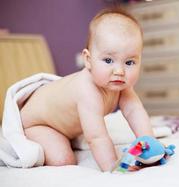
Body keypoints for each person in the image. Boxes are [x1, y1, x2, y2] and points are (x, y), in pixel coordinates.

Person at [20, 8, 154, 172]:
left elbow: (135, 111)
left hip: (64, 127)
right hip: (39, 124)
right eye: (108, 60)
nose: (119, 71)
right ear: (88, 60)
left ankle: (66, 138)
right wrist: (113, 166)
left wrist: (149, 143)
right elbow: (96, 137)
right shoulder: (87, 90)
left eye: (129, 62)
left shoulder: (121, 85)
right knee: (63, 160)